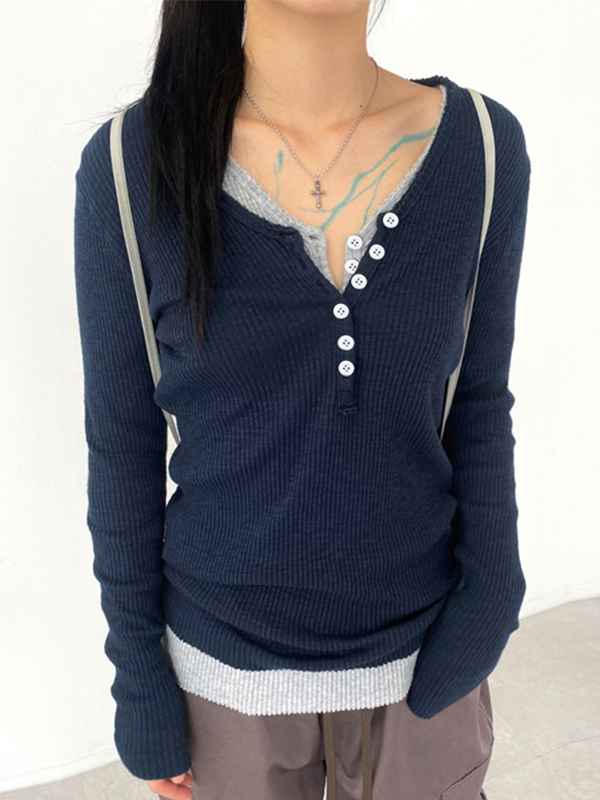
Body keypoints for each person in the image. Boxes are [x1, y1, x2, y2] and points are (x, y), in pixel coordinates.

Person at [73, 1, 531, 798]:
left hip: (423, 661)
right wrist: (138, 680)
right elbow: (123, 443)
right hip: (223, 680)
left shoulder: (483, 149)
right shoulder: (129, 163)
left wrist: (492, 595)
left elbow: (479, 399)